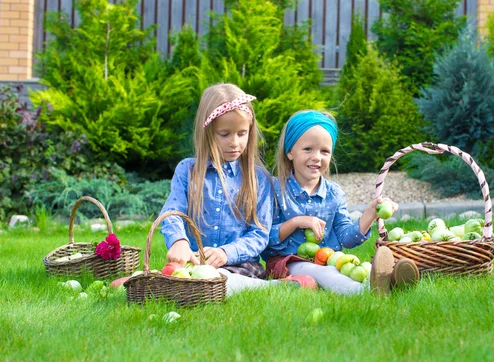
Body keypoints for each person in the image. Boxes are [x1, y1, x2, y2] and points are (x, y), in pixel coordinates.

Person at [159, 84, 316, 296]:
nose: (234, 143)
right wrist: (179, 242)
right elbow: (172, 213)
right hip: (194, 264)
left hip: (239, 266)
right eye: (224, 134)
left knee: (219, 281)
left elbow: (260, 235)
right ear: (207, 133)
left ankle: (270, 288)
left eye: (242, 133)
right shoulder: (187, 171)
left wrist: (226, 252)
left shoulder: (258, 179)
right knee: (180, 279)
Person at [262, 110, 420, 295]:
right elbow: (265, 237)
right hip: (289, 263)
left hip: (329, 259)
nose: (317, 157)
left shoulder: (333, 194)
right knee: (323, 272)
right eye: (308, 149)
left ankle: (390, 280)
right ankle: (364, 291)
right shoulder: (274, 190)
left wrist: (370, 213)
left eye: (324, 151)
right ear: (290, 152)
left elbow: (346, 238)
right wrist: (297, 222)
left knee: (355, 267)